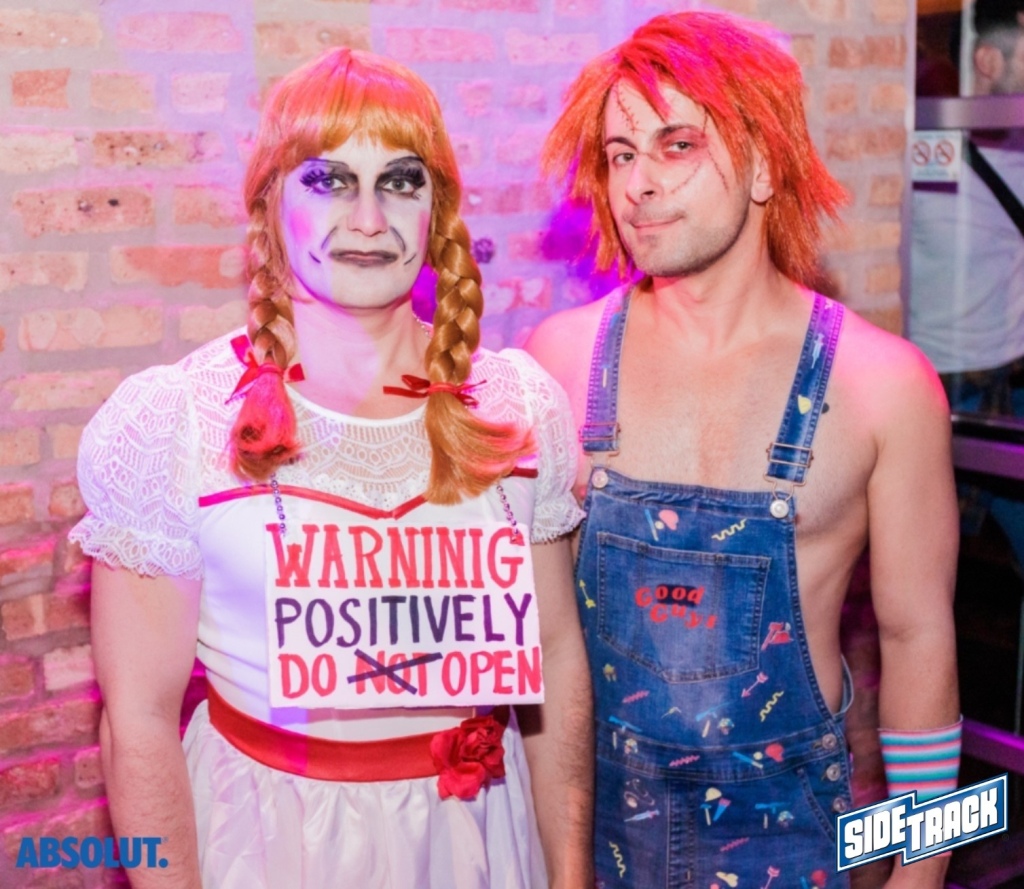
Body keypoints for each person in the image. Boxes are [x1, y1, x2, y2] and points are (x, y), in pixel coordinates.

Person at [70, 47, 592, 889]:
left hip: (477, 839)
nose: (370, 219)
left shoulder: (519, 406)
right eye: (329, 181)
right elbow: (136, 723)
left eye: (401, 180)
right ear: (271, 204)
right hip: (271, 840)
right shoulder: (178, 420)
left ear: (436, 208)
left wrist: (568, 873)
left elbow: (558, 657)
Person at [527, 11, 960, 888]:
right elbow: (548, 650)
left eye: (677, 145)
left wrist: (919, 877)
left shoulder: (885, 386)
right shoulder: (560, 363)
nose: (638, 183)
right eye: (620, 154)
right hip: (602, 836)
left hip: (799, 839)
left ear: (764, 165)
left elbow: (919, 641)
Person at [910, 0, 1024, 561]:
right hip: (934, 390)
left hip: (1012, 383)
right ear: (988, 62)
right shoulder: (920, 153)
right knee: (919, 568)